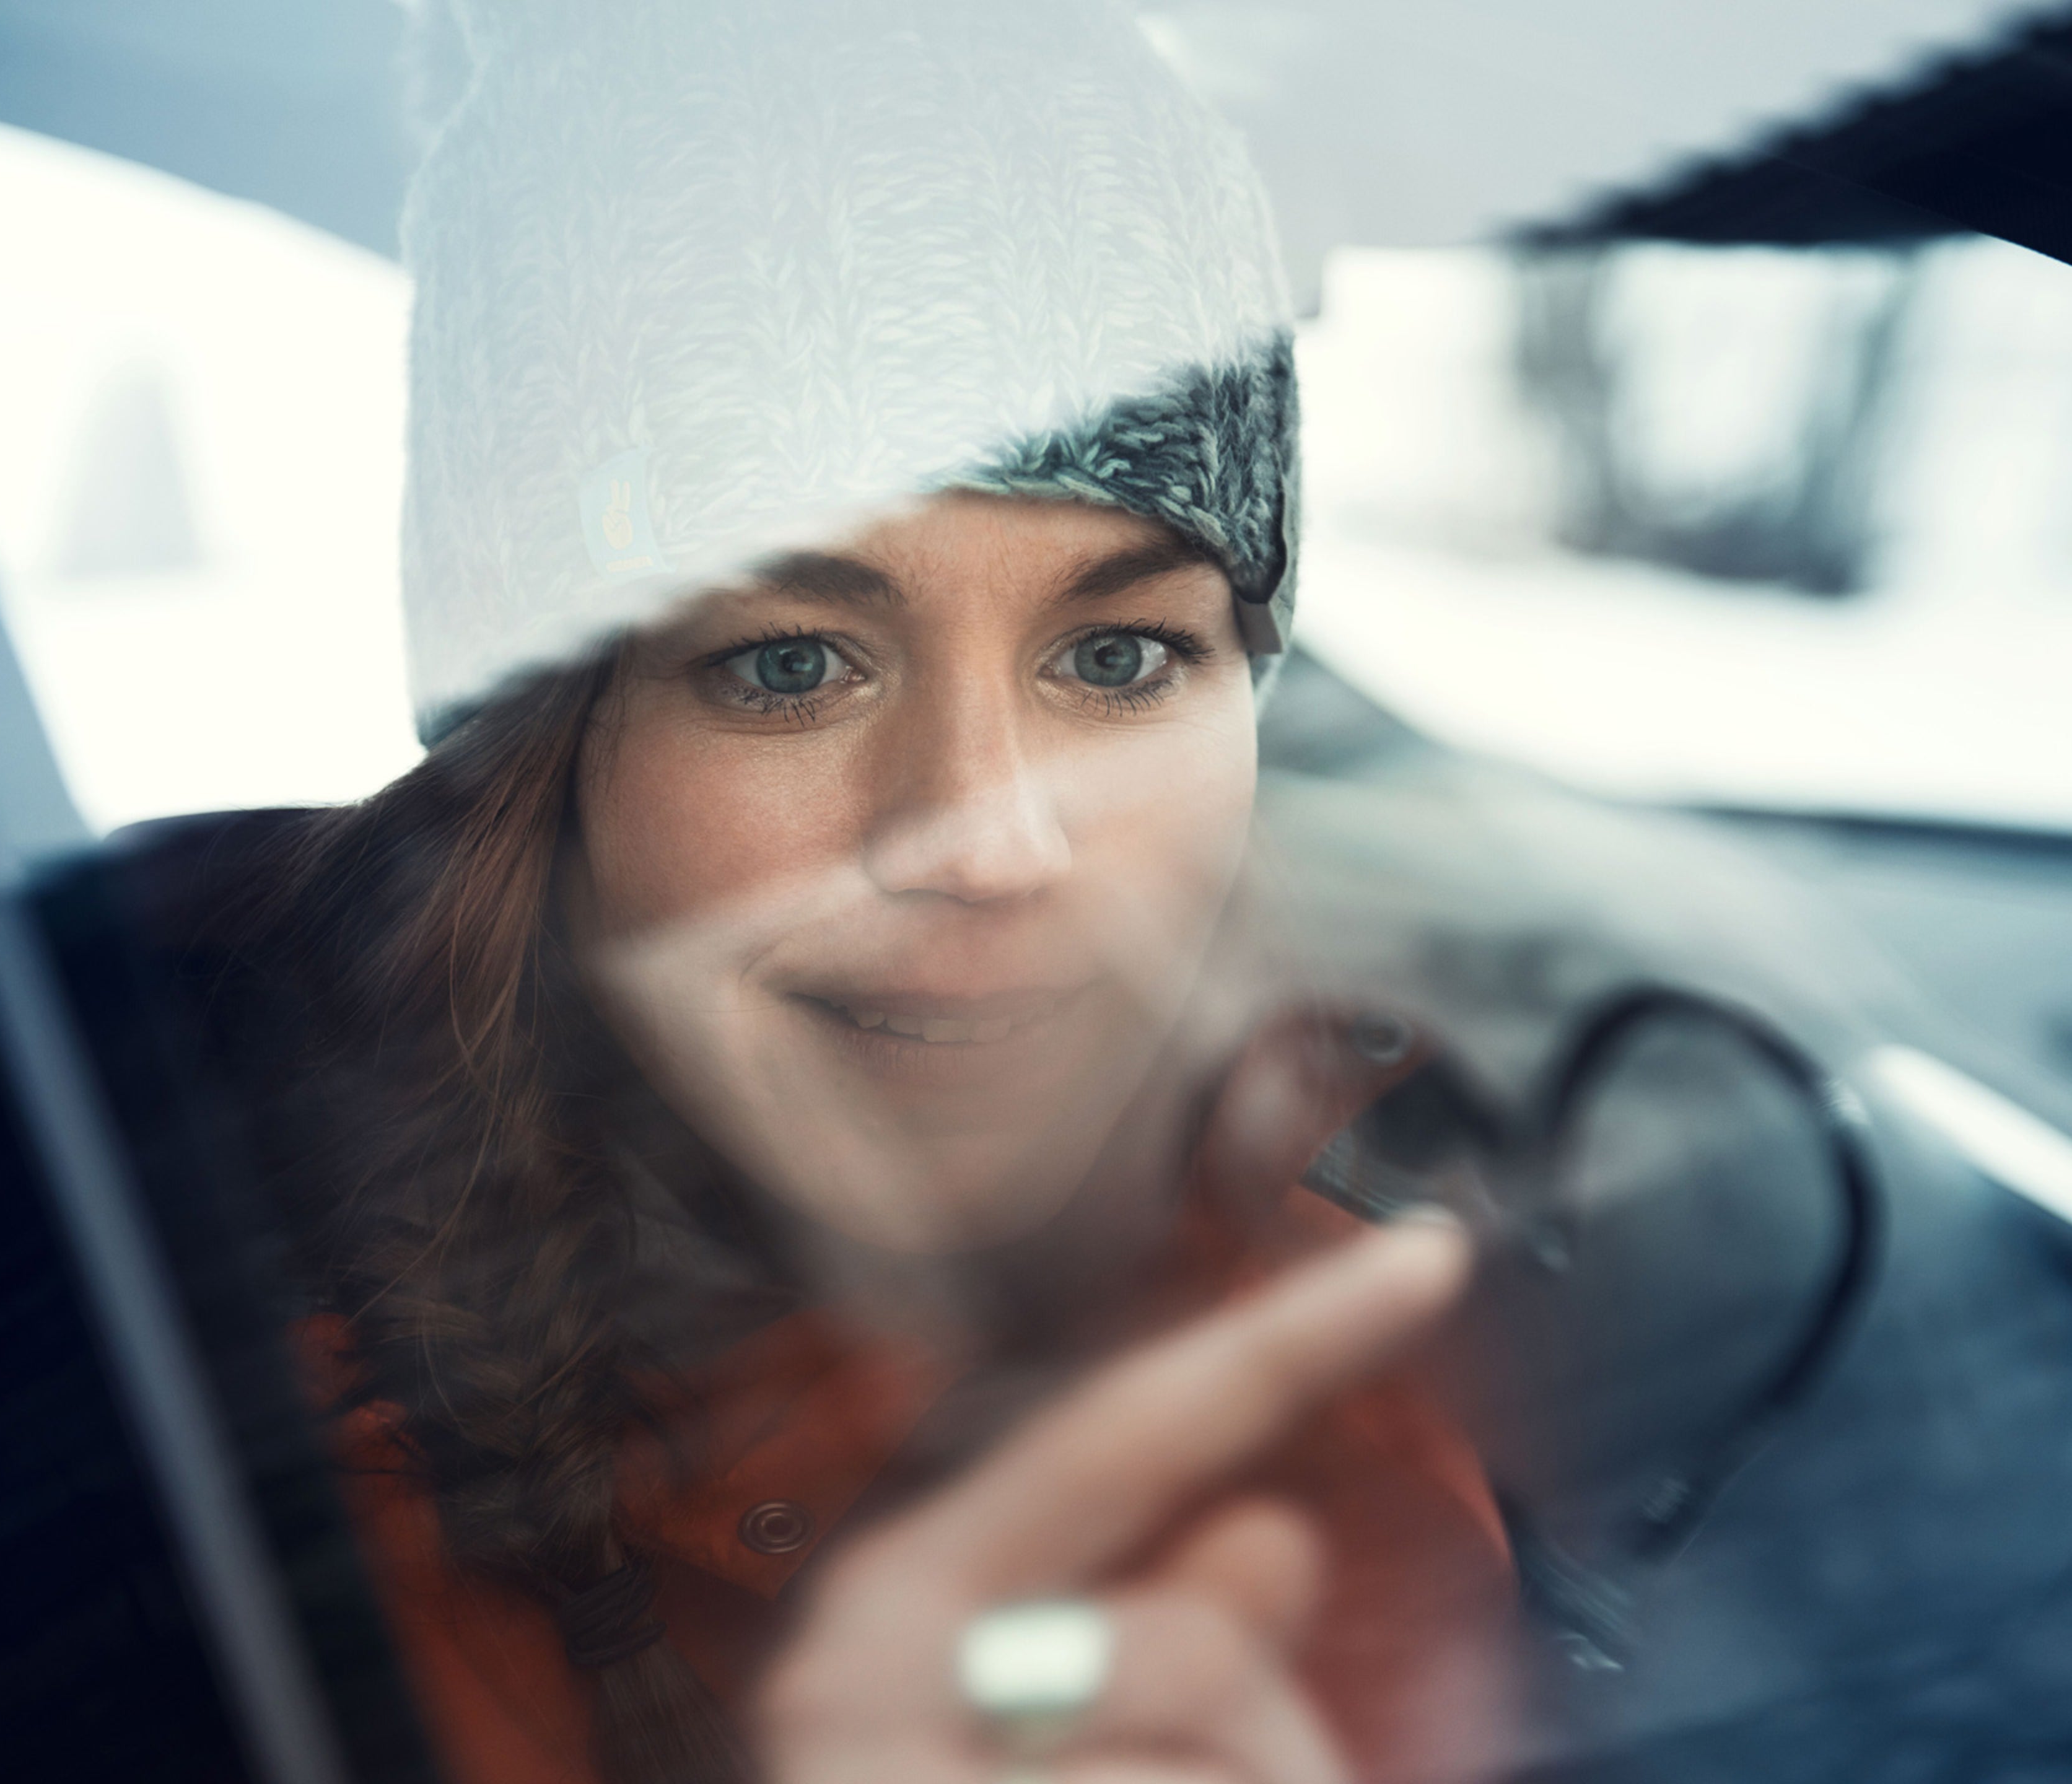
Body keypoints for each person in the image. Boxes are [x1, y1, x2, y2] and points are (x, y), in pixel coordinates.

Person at [141, 6, 1518, 1782]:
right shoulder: (188, 1459)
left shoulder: (1347, 1342)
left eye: (1116, 654)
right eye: (792, 665)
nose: (988, 835)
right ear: (541, 748)